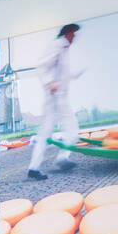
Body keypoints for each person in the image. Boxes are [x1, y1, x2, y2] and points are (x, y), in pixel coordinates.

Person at [28, 23, 82, 182]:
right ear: (68, 33)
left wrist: (75, 75)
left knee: (45, 133)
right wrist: (49, 82)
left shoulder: (63, 48)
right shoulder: (58, 46)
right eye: (74, 34)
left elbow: (63, 72)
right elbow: (42, 66)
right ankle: (62, 157)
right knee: (72, 127)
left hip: (57, 97)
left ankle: (33, 168)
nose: (75, 37)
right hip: (56, 96)